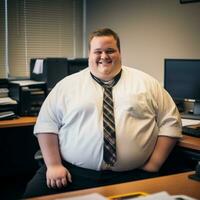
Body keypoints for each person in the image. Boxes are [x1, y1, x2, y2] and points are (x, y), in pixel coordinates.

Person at [23, 28, 182, 198]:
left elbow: (170, 122)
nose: (104, 56)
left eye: (110, 51)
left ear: (120, 52)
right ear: (90, 54)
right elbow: (47, 125)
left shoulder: (148, 84)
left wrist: (154, 163)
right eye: (97, 51)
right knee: (32, 195)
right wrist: (54, 165)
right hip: (72, 174)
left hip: (133, 175)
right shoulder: (66, 86)